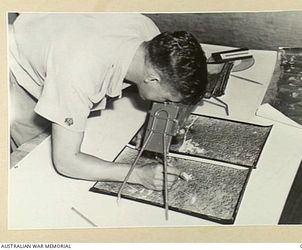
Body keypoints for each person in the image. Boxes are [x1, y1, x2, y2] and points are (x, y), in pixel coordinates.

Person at [9, 13, 208, 190]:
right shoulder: (79, 72)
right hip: (16, 64)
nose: (167, 105)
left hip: (54, 28)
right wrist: (137, 174)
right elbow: (66, 162)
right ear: (153, 79)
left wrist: (154, 125)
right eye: (167, 99)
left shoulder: (149, 32)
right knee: (32, 164)